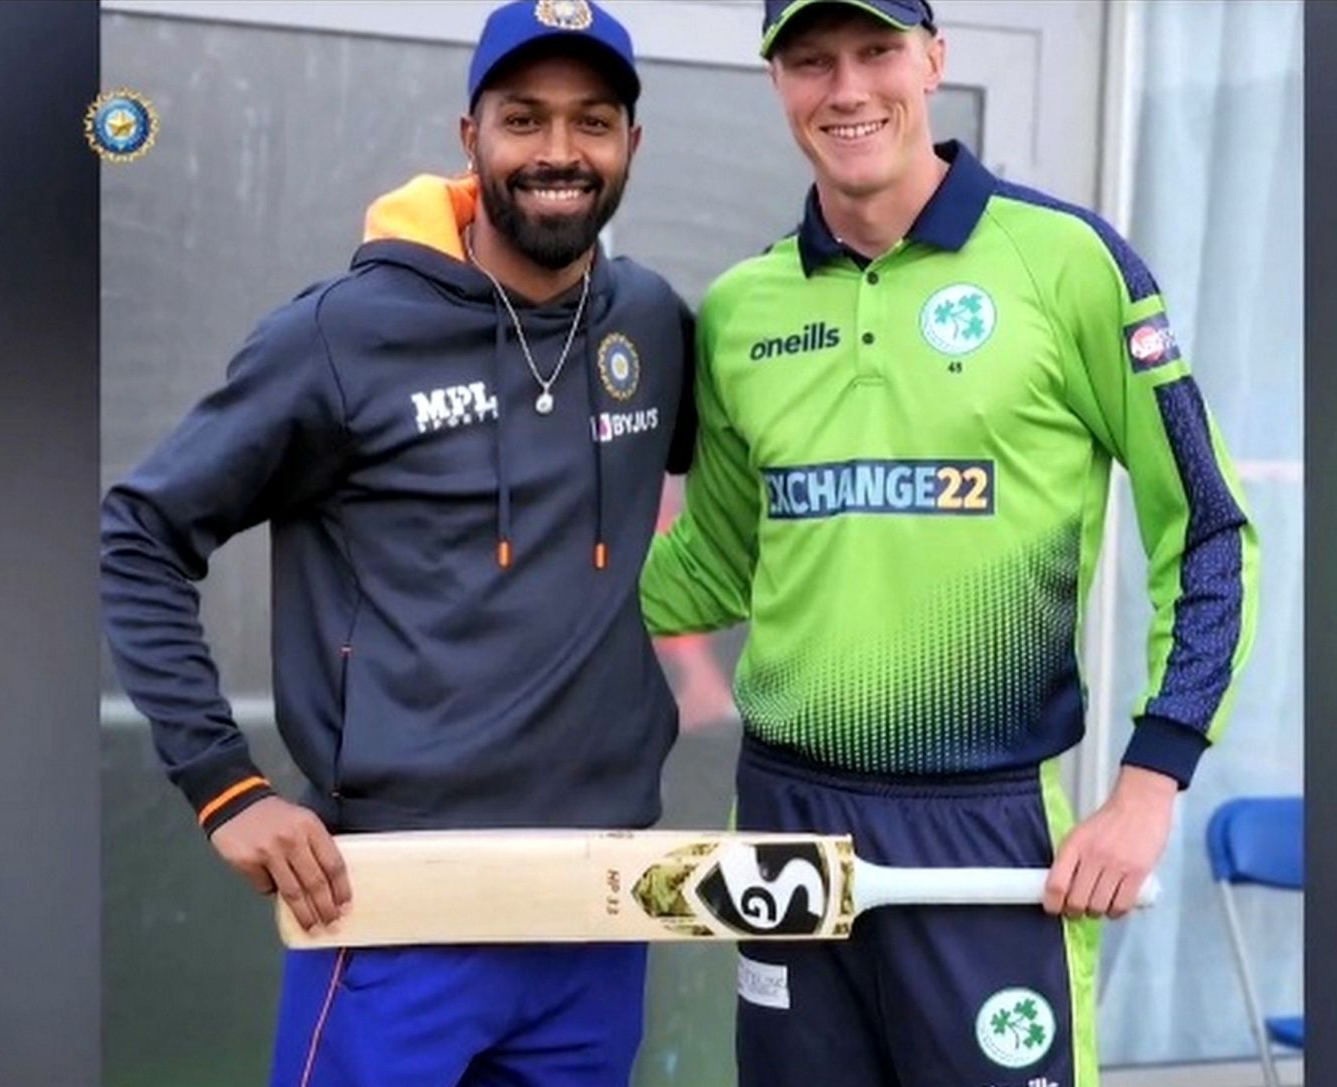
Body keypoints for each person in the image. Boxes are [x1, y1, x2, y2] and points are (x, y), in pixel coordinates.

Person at [640, 1, 1260, 1084]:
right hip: (786, 827)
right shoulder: (741, 308)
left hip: (987, 829)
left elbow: (1206, 530)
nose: (847, 89)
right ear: (775, 81)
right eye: (811, 61)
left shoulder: (1066, 263)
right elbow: (716, 563)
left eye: (876, 50)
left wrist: (1150, 785)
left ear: (933, 58)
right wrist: (506, 586)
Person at [100, 3, 694, 1084]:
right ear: (470, 136)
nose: (559, 152)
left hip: (597, 904)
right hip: (393, 901)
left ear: (631, 147)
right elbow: (141, 532)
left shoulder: (650, 322)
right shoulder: (341, 335)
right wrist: (223, 784)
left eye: (593, 122)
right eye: (525, 119)